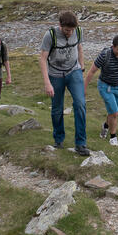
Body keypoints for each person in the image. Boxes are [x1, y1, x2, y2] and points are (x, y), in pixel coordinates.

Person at [39, 10, 89, 156]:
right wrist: (47, 83)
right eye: (67, 30)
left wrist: (82, 67)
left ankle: (81, 143)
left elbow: (79, 47)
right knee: (57, 108)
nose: (70, 32)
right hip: (55, 74)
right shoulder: (50, 35)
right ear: (60, 26)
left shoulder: (78, 31)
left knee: (80, 104)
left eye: (72, 30)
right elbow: (42, 58)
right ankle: (58, 139)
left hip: (74, 71)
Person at [84, 35, 118, 147]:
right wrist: (84, 88)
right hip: (105, 87)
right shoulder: (104, 55)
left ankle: (106, 126)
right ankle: (113, 137)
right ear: (113, 47)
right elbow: (91, 72)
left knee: (114, 112)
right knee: (114, 113)